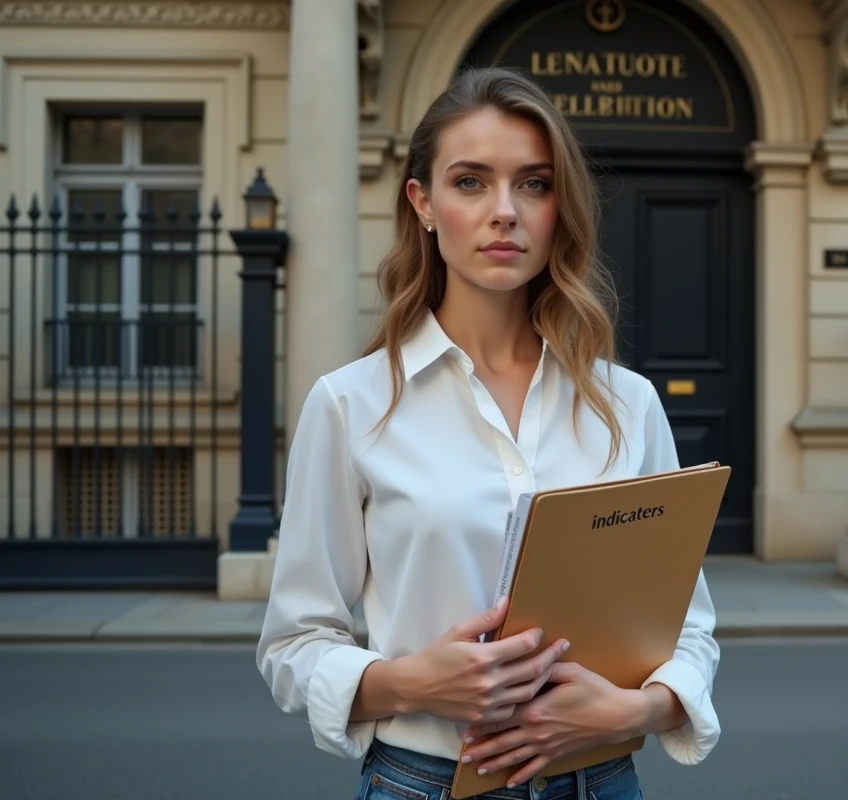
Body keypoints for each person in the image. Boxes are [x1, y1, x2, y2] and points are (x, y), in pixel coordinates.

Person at [256, 66, 720, 800]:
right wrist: (410, 683)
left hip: (601, 783)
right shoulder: (350, 404)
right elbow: (294, 644)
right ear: (423, 203)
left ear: (559, 209)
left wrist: (635, 711)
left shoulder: (626, 404)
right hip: (422, 783)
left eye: (534, 184)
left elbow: (687, 629)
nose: (504, 211)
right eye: (470, 182)